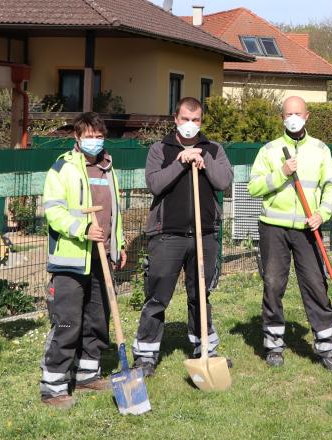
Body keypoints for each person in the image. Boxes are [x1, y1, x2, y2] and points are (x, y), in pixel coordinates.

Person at [132, 97, 234, 376]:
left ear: (202, 121)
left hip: (205, 234)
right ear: (175, 119)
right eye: (185, 119)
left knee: (200, 294)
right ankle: (146, 354)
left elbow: (224, 181)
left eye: (196, 120)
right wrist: (180, 162)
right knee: (157, 296)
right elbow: (154, 184)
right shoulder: (160, 149)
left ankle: (205, 349)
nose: (191, 125)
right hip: (167, 236)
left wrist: (203, 162)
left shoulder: (213, 149)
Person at [248, 96, 332, 372]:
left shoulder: (319, 150)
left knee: (316, 284)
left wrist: (322, 214)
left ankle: (326, 347)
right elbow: (253, 187)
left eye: (297, 113)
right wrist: (281, 172)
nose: (292, 117)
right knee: (273, 284)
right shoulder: (269, 150)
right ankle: (274, 345)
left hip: (307, 227)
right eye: (288, 113)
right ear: (282, 118)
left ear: (307, 116)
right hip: (274, 228)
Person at [38, 112, 127, 408]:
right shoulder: (62, 169)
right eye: (88, 136)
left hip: (102, 258)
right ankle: (53, 386)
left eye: (98, 135)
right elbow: (54, 211)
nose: (94, 141)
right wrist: (82, 229)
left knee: (97, 319)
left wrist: (119, 244)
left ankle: (89, 373)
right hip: (71, 259)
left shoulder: (108, 168)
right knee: (67, 323)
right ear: (77, 137)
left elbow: (113, 212)